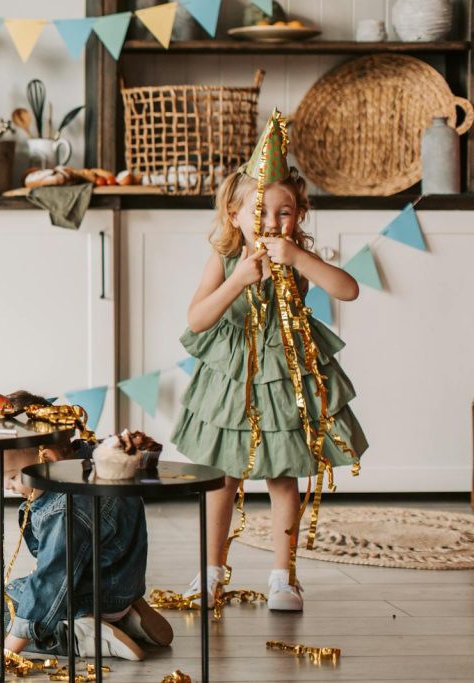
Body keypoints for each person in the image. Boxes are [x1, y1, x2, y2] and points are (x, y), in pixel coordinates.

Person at [171, 110, 368, 612]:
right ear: (234, 215)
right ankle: (211, 571)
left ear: (298, 215)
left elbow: (349, 290)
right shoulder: (222, 255)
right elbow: (197, 320)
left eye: (283, 213)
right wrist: (238, 278)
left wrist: (299, 259)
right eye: (259, 213)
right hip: (233, 380)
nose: (271, 223)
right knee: (222, 477)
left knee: (284, 476)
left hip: (285, 379)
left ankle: (284, 576)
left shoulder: (299, 256)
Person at [0, 392, 173, 662]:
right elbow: (130, 456)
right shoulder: (100, 461)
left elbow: (52, 580)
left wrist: (8, 649)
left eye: (10, 476)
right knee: (16, 591)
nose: (7, 487)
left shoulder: (64, 511)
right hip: (123, 586)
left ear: (49, 460)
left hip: (90, 596)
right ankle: (128, 614)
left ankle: (81, 636)